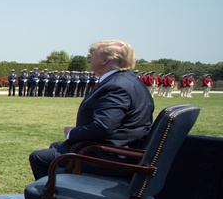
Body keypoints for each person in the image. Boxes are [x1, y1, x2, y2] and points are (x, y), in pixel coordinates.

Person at [28, 40, 154, 181]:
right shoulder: (128, 79)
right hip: (122, 148)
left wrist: (72, 132)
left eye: (93, 55)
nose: (90, 59)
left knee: (39, 157)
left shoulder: (116, 87)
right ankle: (63, 189)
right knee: (56, 147)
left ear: (105, 60)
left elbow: (103, 127)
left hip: (112, 156)